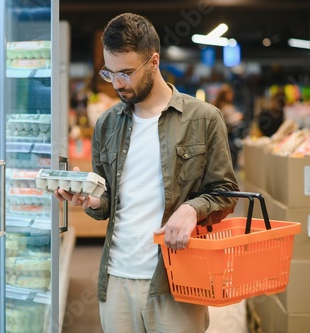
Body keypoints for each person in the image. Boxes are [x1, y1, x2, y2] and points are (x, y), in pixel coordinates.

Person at [54, 13, 239, 333]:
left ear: (153, 61)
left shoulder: (203, 119)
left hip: (176, 284)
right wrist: (92, 201)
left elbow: (225, 193)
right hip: (115, 283)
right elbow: (107, 203)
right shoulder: (107, 123)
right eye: (109, 73)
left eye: (126, 73)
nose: (117, 84)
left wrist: (191, 209)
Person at [211, 83, 244, 168]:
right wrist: (237, 118)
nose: (231, 95)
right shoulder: (222, 106)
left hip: (228, 134)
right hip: (225, 134)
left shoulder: (225, 105)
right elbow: (224, 121)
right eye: (229, 93)